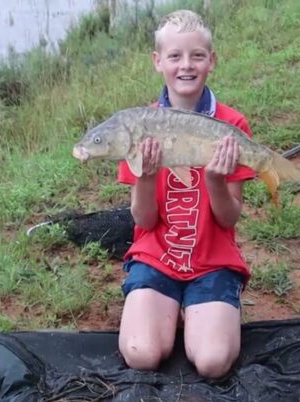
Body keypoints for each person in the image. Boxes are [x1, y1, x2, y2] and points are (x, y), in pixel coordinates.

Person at [116, 9, 256, 379]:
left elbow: (229, 218)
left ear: (212, 60)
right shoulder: (137, 126)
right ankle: (165, 309)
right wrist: (146, 177)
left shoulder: (231, 125)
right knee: (141, 354)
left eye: (196, 55)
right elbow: (143, 221)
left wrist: (214, 180)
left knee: (212, 362)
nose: (186, 65)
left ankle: (199, 312)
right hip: (156, 257)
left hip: (213, 259)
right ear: (158, 61)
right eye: (175, 56)